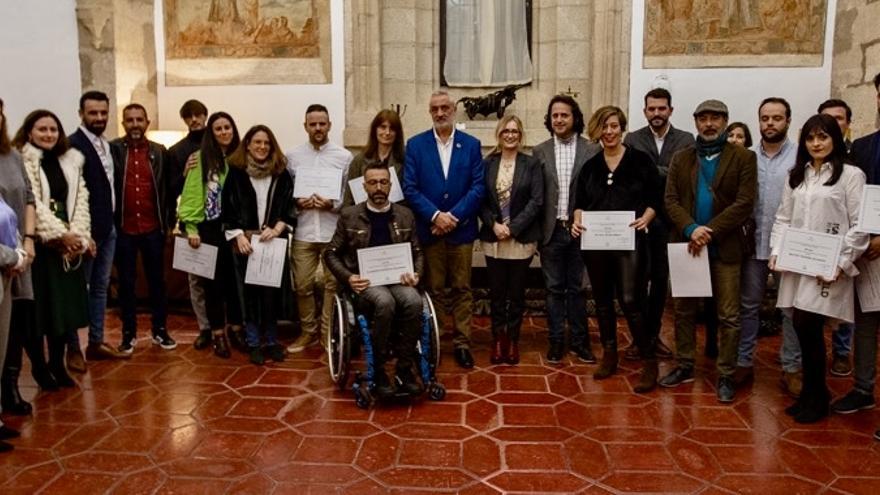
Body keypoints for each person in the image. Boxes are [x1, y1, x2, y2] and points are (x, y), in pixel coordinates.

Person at [769, 113, 867, 423]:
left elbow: (858, 225)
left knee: (809, 325)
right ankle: (814, 393)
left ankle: (817, 396)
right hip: (797, 264)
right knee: (800, 326)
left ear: (835, 139)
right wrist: (776, 252)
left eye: (823, 137)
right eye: (811, 138)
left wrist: (841, 261)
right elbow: (783, 218)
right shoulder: (796, 175)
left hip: (827, 265)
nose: (816, 143)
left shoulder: (851, 175)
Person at [660, 99, 757, 403]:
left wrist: (709, 231)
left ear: (726, 121)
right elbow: (671, 199)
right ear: (696, 122)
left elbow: (744, 203)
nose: (709, 124)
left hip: (724, 247)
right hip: (688, 245)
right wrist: (691, 229)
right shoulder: (682, 157)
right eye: (703, 118)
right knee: (684, 310)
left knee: (728, 315)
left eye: (716, 118)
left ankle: (726, 374)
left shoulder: (743, 158)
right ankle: (685, 364)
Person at [571, 106, 661, 392]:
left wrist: (649, 215)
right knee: (601, 300)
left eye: (613, 126)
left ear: (622, 128)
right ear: (596, 132)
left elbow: (656, 197)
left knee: (631, 298)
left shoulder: (640, 161)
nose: (609, 132)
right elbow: (580, 203)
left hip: (630, 241)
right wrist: (576, 219)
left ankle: (649, 361)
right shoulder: (590, 166)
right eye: (603, 127)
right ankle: (610, 354)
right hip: (596, 244)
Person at [325, 162, 424, 396]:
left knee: (414, 302)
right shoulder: (350, 216)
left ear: (390, 185)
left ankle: (403, 367)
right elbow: (329, 253)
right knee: (385, 302)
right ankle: (378, 370)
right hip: (365, 283)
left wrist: (416, 273)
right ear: (364, 186)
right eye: (372, 182)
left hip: (398, 279)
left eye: (383, 182)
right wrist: (349, 278)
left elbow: (417, 252)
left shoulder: (405, 214)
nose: (378, 187)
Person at [403, 90, 485, 369]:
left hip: (460, 232)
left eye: (445, 108)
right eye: (435, 108)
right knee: (434, 288)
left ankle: (462, 344)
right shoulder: (415, 145)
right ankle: (435, 341)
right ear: (430, 112)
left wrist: (454, 217)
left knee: (462, 288)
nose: (440, 113)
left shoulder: (472, 145)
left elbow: (478, 187)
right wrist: (436, 216)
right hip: (431, 231)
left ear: (454, 110)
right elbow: (410, 188)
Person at [14, 110, 93, 390]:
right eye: (42, 129)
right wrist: (60, 235)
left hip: (68, 247)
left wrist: (79, 237)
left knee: (65, 311)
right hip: (41, 244)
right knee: (40, 311)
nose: (48, 134)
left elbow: (80, 200)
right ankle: (38, 366)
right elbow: (31, 203)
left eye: (53, 129)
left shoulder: (70, 161)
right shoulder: (23, 160)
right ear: (29, 131)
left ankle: (58, 364)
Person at [623, 88, 695, 361]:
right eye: (651, 109)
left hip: (672, 222)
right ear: (645, 112)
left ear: (671, 110)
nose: (656, 114)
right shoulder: (633, 139)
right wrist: (665, 173)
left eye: (661, 108)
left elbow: (686, 178)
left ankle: (654, 337)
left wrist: (651, 172)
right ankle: (638, 338)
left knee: (661, 283)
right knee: (638, 283)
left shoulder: (687, 140)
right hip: (640, 222)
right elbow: (632, 178)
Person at [737, 98, 800, 390]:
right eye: (765, 118)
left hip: (789, 246)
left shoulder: (801, 157)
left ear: (788, 120)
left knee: (789, 309)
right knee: (748, 306)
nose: (770, 123)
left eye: (777, 118)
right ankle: (743, 362)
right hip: (753, 244)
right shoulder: (746, 157)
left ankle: (791, 368)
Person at [532, 94, 600, 364]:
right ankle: (556, 341)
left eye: (564, 115)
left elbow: (595, 193)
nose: (559, 120)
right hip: (551, 231)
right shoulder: (540, 151)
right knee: (553, 289)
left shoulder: (591, 150)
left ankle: (581, 343)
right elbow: (537, 196)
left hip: (580, 231)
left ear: (575, 118)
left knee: (578, 288)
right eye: (554, 115)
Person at [222, 125, 295, 365]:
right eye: (257, 142)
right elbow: (228, 209)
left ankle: (272, 342)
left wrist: (277, 228)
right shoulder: (236, 172)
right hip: (246, 245)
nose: (262, 147)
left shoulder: (281, 173)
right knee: (249, 296)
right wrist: (238, 236)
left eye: (266, 143)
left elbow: (289, 208)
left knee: (270, 295)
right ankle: (253, 343)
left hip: (273, 243)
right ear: (248, 145)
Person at [67, 91, 128, 368]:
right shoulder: (72, 146)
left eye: (103, 113)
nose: (99, 118)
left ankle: (95, 341)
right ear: (81, 113)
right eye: (93, 113)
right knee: (77, 288)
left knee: (100, 288)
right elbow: (71, 194)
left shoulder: (107, 144)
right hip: (85, 233)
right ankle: (72, 350)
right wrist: (81, 233)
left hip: (108, 229)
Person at [285, 104, 352, 354]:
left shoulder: (344, 157)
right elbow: (285, 192)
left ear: (329, 125)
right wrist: (296, 202)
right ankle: (307, 333)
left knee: (331, 286)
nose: (317, 128)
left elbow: (348, 196)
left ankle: (326, 335)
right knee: (302, 284)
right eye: (312, 124)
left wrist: (331, 204)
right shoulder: (292, 156)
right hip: (303, 231)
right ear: (305, 126)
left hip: (332, 231)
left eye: (322, 123)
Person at [108, 104, 175, 354]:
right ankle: (129, 334)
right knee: (126, 283)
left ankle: (160, 331)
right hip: (124, 229)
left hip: (152, 228)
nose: (135, 124)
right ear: (123, 123)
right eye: (129, 120)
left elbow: (167, 191)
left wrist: (169, 224)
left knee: (157, 282)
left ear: (148, 122)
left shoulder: (159, 152)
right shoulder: (113, 150)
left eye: (139, 119)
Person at [833, 72, 880, 422]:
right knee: (865, 324)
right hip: (866, 253)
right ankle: (863, 389)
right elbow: (852, 200)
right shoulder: (863, 147)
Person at [479, 115, 543, 365]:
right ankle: (498, 340)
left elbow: (537, 201)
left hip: (521, 238)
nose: (510, 135)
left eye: (515, 131)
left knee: (516, 294)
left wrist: (513, 228)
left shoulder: (532, 164)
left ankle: (513, 340)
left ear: (521, 135)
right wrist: (493, 225)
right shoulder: (488, 164)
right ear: (499, 134)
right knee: (497, 293)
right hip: (493, 238)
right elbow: (480, 199)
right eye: (506, 130)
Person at [178, 111, 242, 358]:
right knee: (212, 285)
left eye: (228, 127)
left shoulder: (240, 158)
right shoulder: (199, 158)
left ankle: (236, 329)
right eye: (219, 128)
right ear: (211, 133)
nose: (224, 132)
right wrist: (191, 228)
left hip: (235, 229)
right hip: (209, 229)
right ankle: (217, 334)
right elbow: (192, 194)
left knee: (235, 285)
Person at [167, 100, 218, 350]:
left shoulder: (220, 142)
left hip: (219, 223)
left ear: (205, 116)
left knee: (222, 280)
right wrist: (185, 173)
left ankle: (224, 325)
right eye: (189, 117)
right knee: (196, 281)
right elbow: (172, 189)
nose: (194, 120)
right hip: (193, 223)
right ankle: (205, 328)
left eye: (198, 115)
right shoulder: (177, 151)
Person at [0, 97, 36, 427]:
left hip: (20, 255)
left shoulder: (11, 155)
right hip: (3, 257)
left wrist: (28, 241)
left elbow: (28, 197)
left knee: (14, 325)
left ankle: (9, 388)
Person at [819, 98, 857, 376]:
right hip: (815, 242)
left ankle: (842, 352)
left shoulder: (858, 159)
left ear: (847, 123)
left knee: (844, 300)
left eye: (838, 118)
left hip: (848, 242)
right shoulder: (810, 160)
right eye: (826, 119)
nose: (832, 124)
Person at [343, 109, 405, 207]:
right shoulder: (359, 161)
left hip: (396, 217)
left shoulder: (406, 159)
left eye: (392, 129)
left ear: (397, 133)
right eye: (383, 127)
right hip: (364, 219)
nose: (387, 132)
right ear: (375, 129)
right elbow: (348, 200)